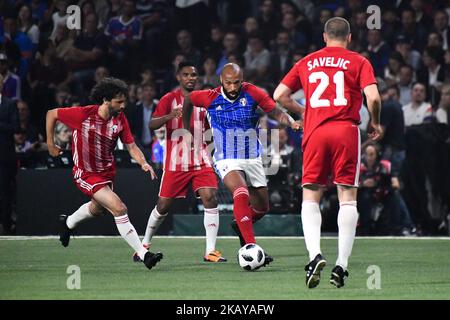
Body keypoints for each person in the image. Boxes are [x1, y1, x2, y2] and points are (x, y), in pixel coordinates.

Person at [274, 17, 383, 288]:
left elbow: (279, 95)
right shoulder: (359, 61)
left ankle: (314, 256)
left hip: (315, 131)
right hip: (346, 130)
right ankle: (341, 265)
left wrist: (304, 111)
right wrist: (375, 122)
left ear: (324, 37)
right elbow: (374, 98)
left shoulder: (307, 62)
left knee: (311, 193)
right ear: (349, 38)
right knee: (347, 196)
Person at [182, 63, 302, 268]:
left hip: (252, 156)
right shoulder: (209, 97)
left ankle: (240, 224)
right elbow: (187, 99)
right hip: (225, 157)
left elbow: (274, 111)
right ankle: (251, 248)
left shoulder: (252, 92)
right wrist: (186, 129)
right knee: (240, 191)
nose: (232, 87)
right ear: (221, 81)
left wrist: (290, 121)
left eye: (236, 82)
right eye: (228, 83)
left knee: (262, 208)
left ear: (242, 79)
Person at [45, 77, 163, 270]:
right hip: (85, 173)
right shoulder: (83, 114)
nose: (124, 105)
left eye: (124, 101)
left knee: (98, 208)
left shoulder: (120, 119)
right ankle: (144, 254)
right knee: (119, 208)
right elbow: (51, 114)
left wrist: (143, 162)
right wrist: (51, 145)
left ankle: (67, 223)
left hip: (107, 173)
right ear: (106, 100)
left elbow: (131, 145)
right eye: (119, 101)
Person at [139, 61, 226, 263]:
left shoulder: (204, 98)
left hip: (201, 158)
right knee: (163, 206)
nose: (191, 78)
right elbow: (152, 124)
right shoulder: (169, 99)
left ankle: (210, 251)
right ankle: (144, 245)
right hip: (176, 162)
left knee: (210, 197)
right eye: (186, 75)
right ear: (178, 77)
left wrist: (213, 151)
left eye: (194, 75)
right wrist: (170, 116)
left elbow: (207, 129)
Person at [0, 73, 19, 235]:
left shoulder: (10, 104)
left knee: (5, 192)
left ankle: (6, 227)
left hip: (4, 157)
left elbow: (15, 127)